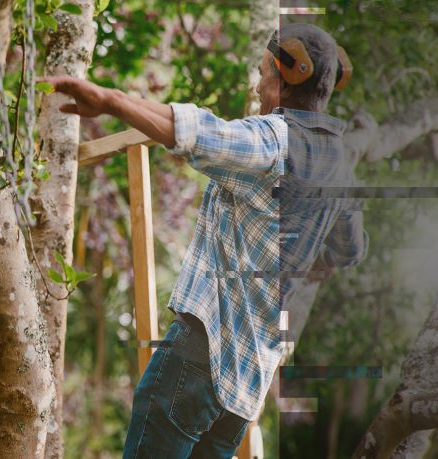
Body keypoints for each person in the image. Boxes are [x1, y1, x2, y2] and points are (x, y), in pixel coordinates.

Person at [44, 22, 368, 459]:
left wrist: (109, 100)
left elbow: (196, 131)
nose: (257, 86)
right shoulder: (341, 167)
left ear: (286, 77)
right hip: (245, 389)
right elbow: (350, 250)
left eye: (263, 74)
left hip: (200, 357)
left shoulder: (273, 142)